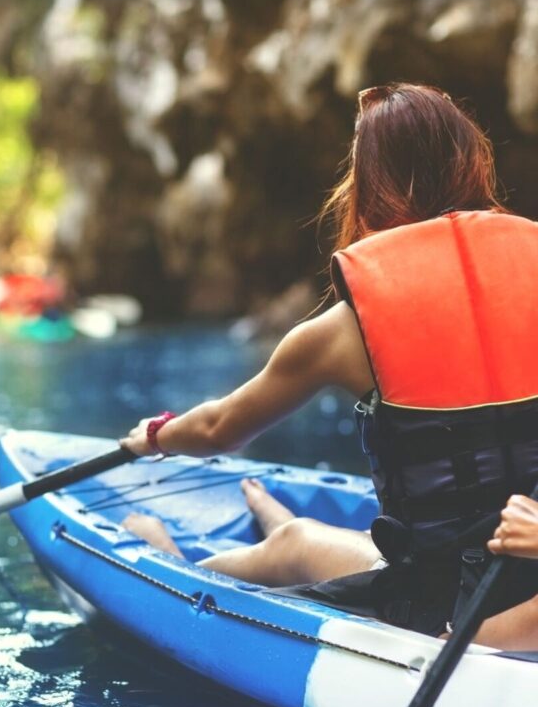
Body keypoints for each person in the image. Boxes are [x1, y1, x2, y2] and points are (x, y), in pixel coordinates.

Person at [120, 83, 538, 651]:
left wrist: (156, 435)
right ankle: (280, 528)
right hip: (498, 571)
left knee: (300, 563)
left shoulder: (343, 334)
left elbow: (220, 428)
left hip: (449, 610)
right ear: (472, 165)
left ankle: (165, 563)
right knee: (295, 542)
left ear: (367, 187)